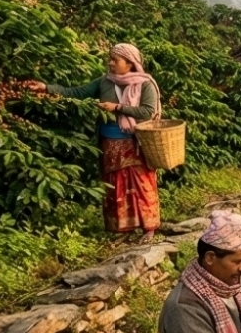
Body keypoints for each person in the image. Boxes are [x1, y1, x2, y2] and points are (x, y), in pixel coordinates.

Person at [26, 43, 162, 241]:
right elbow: (76, 92)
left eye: (116, 60)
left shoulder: (145, 84)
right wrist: (46, 88)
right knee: (115, 185)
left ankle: (148, 228)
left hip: (135, 142)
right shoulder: (104, 82)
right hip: (109, 140)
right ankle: (123, 228)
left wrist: (117, 107)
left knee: (140, 183)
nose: (111, 63)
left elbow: (147, 111)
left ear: (130, 63)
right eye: (110, 59)